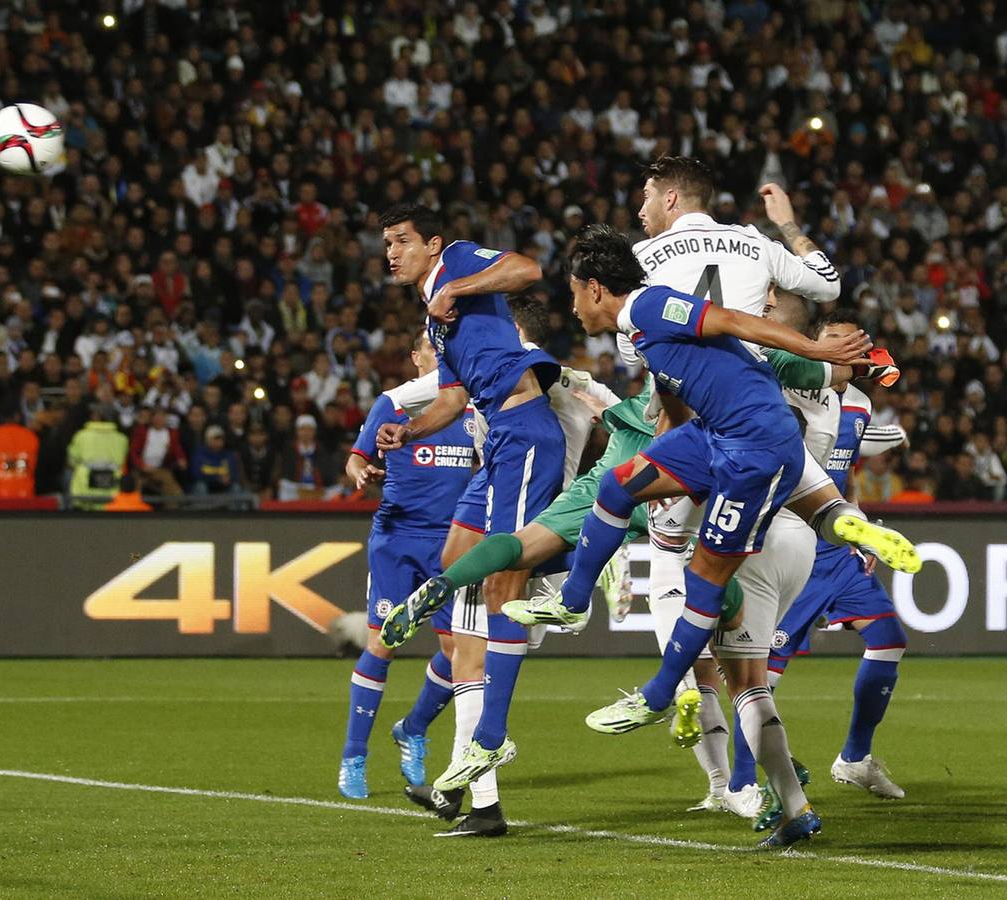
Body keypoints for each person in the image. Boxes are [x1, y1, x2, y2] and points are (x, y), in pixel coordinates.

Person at [511, 226, 886, 848]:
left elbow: (740, 322)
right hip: (716, 437)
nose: (571, 307)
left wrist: (818, 353)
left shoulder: (653, 304)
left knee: (708, 581)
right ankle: (574, 597)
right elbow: (691, 382)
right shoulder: (639, 331)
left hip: (755, 452)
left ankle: (661, 693)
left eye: (574, 293)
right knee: (619, 485)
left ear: (596, 288)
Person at [372, 203, 564, 828]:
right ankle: (469, 777)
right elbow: (452, 397)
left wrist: (456, 283)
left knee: (495, 591)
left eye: (401, 241)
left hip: (524, 433)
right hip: (495, 445)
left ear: (433, 243)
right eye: (385, 245)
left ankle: (483, 763)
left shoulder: (455, 267)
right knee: (454, 580)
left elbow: (528, 267)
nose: (391, 253)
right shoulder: (438, 327)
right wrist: (409, 429)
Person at [747, 311, 914, 807]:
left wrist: (861, 530)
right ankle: (743, 781)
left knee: (888, 639)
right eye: (834, 340)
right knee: (761, 676)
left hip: (838, 546)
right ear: (812, 347)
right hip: (791, 540)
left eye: (853, 343)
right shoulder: (790, 392)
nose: (845, 349)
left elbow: (846, 478)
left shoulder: (859, 403)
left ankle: (855, 758)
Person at [336, 331, 475, 804]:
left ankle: (413, 728)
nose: (440, 362)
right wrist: (363, 473)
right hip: (399, 540)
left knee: (459, 654)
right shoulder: (394, 405)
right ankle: (354, 756)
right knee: (383, 643)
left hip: (454, 544)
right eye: (433, 353)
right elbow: (355, 462)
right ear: (416, 358)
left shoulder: (470, 409)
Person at [66, 404, 128, 509]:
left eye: (94, 414)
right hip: (112, 493)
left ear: (98, 417)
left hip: (83, 492)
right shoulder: (122, 439)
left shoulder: (81, 436)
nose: (92, 416)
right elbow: (122, 461)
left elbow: (71, 460)